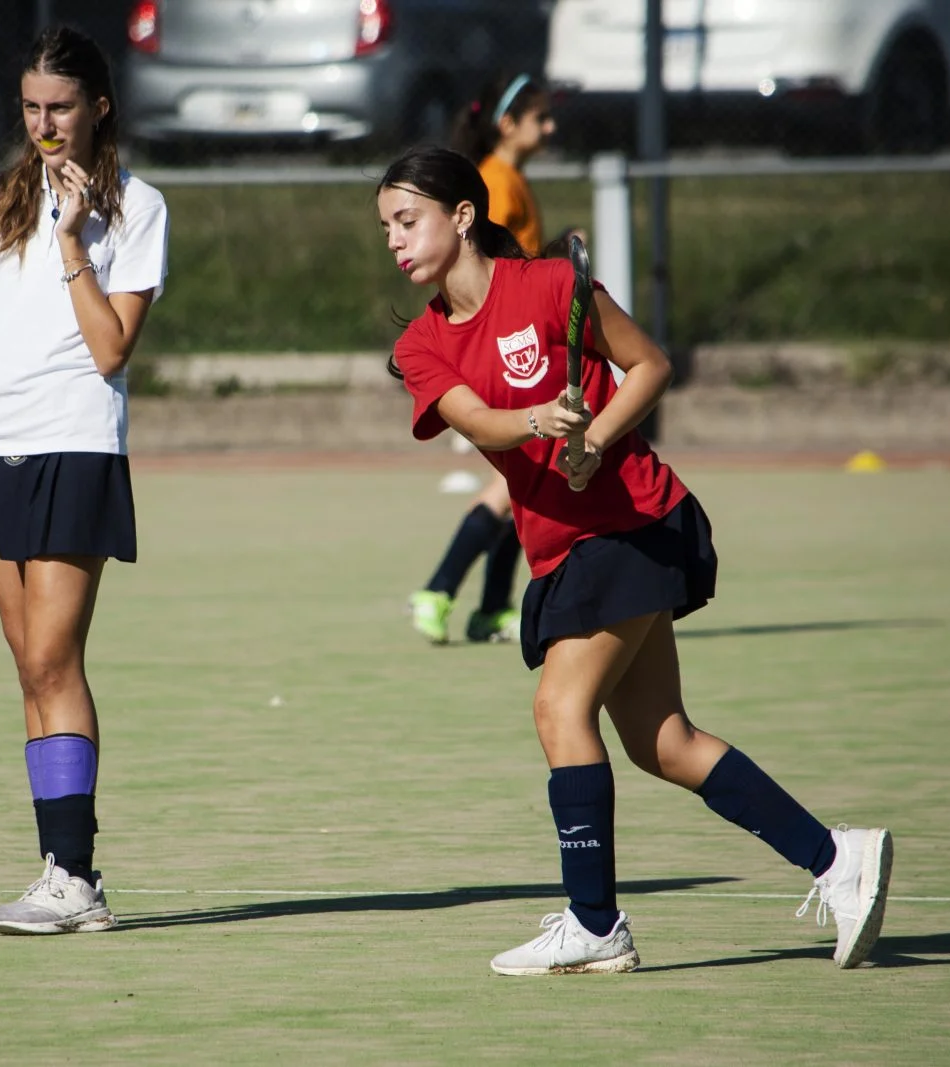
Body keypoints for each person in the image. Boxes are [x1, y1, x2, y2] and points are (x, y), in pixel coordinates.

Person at [378, 145, 892, 974]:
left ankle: (595, 922)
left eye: (408, 220)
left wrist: (597, 437)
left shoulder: (552, 285)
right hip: (563, 548)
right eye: (387, 229)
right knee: (664, 742)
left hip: (631, 522)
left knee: (559, 709)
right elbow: (477, 420)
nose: (395, 241)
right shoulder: (422, 344)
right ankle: (839, 859)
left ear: (462, 215)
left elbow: (649, 364)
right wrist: (541, 421)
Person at [0, 26, 169, 935]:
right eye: (31, 107)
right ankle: (60, 872)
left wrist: (72, 238)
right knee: (28, 668)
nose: (44, 124)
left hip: (74, 443)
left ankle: (77, 875)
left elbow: (111, 350)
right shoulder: (4, 197)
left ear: (99, 107)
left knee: (51, 659)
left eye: (61, 107)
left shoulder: (136, 208)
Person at [409, 73, 567, 646]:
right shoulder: (496, 183)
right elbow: (488, 269)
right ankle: (438, 589)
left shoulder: (509, 179)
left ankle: (492, 608)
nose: (550, 128)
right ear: (507, 124)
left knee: (524, 484)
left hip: (516, 347)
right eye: (539, 118)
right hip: (505, 354)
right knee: (511, 486)